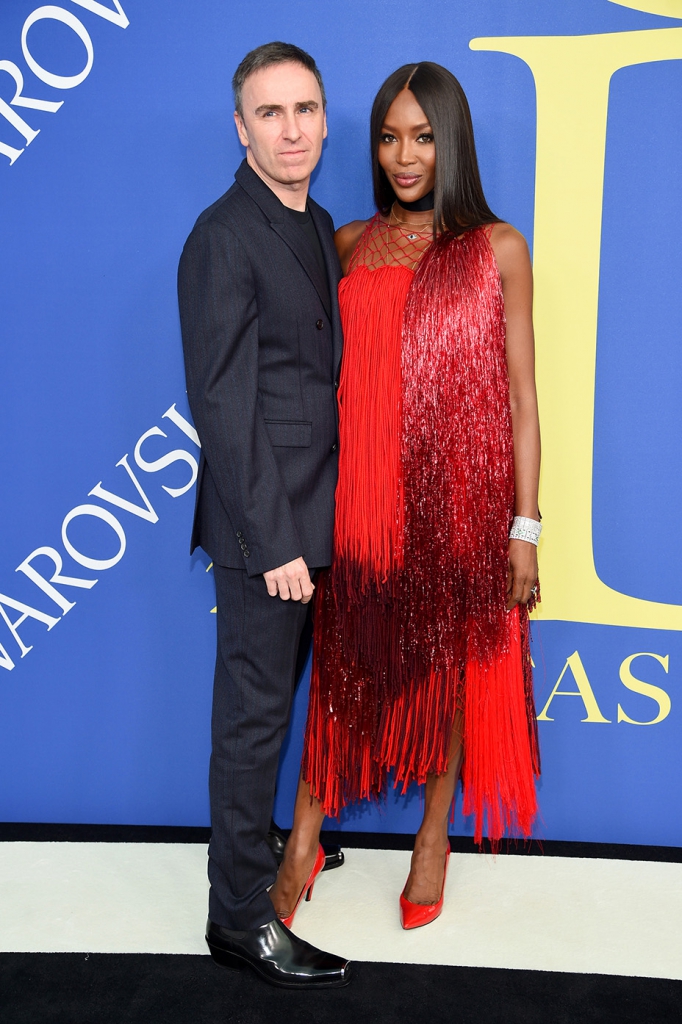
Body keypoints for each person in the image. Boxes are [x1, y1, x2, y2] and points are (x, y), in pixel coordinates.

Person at [270, 62, 542, 930]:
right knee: (345, 661)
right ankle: (304, 831)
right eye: (389, 136)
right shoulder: (348, 243)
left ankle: (434, 834)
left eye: (423, 136)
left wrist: (524, 526)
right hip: (364, 499)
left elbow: (523, 398)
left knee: (452, 662)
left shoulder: (498, 248)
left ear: (452, 140)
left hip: (463, 498)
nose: (404, 154)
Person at [177, 42, 350, 987]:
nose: (292, 130)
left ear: (325, 119)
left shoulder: (318, 221)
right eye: (271, 113)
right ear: (240, 128)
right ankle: (237, 920)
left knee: (282, 713)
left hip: (323, 518)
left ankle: (264, 860)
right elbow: (225, 402)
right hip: (267, 534)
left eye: (306, 109)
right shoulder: (221, 235)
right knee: (252, 726)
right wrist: (275, 540)